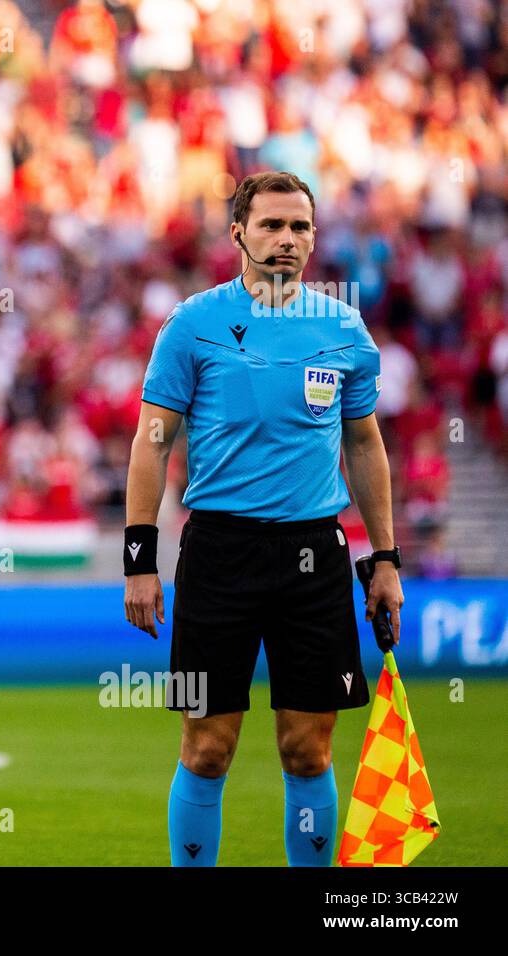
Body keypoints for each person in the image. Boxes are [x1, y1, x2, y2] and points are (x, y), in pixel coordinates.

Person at [123, 171, 405, 866]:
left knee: (307, 750)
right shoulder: (193, 325)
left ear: (313, 238)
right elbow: (152, 442)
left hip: (316, 555)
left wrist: (387, 561)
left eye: (299, 227)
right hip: (219, 553)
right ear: (238, 234)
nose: (286, 240)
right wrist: (140, 562)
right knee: (207, 747)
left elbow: (364, 444)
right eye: (272, 225)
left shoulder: (342, 328)